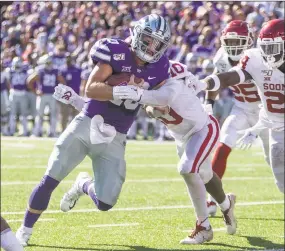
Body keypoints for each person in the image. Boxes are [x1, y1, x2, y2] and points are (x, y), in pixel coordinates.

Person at [16, 14, 171, 246]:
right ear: (137, 34)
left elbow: (155, 103)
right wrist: (120, 90)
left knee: (106, 203)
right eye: (148, 39)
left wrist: (156, 109)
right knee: (50, 179)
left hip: (116, 135)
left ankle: (83, 185)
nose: (151, 47)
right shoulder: (115, 50)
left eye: (157, 43)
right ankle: (24, 230)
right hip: (88, 123)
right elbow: (91, 89)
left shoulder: (160, 67)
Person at [54, 60, 237, 245]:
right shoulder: (141, 85)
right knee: (204, 175)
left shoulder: (168, 82)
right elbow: (101, 111)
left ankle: (204, 227)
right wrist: (75, 99)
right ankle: (226, 205)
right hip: (182, 136)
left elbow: (160, 96)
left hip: (202, 128)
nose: (133, 77)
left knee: (187, 168)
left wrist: (144, 98)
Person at [203, 19, 284, 194]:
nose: (233, 46)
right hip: (243, 108)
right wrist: (208, 102)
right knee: (224, 144)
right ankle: (212, 200)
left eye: (237, 41)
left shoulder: (260, 58)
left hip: (266, 113)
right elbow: (221, 79)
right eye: (229, 42)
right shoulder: (230, 58)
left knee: (273, 160)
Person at [27, 54, 66, 137]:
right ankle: (38, 132)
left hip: (51, 95)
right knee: (41, 114)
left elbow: (62, 82)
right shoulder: (41, 70)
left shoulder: (54, 71)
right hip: (43, 95)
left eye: (49, 62)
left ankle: (51, 132)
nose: (49, 64)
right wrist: (36, 91)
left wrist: (58, 91)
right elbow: (30, 81)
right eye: (47, 62)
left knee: (51, 115)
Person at [7, 57, 29, 136]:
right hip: (14, 93)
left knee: (24, 114)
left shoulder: (25, 71)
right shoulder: (10, 71)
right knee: (12, 113)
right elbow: (8, 82)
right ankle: (12, 130)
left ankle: (24, 131)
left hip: (23, 93)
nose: (17, 67)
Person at [59, 55, 82, 131]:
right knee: (64, 115)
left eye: (69, 59)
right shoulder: (62, 70)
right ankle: (63, 131)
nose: (68, 60)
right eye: (67, 59)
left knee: (75, 115)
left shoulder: (78, 69)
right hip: (65, 96)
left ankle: (74, 131)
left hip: (76, 95)